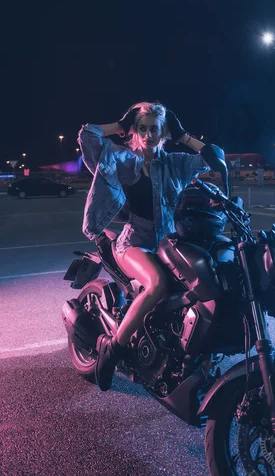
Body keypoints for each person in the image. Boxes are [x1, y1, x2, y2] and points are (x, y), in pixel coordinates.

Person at [77, 101, 220, 391]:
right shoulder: (120, 158)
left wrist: (182, 136)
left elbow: (213, 159)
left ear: (162, 131)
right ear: (135, 131)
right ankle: (112, 350)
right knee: (156, 285)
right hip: (134, 242)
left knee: (202, 287)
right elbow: (87, 136)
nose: (147, 135)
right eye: (141, 129)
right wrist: (121, 125)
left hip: (169, 243)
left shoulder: (175, 163)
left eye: (154, 128)